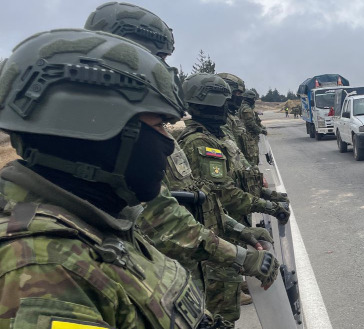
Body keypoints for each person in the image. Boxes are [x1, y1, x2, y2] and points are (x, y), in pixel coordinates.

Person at [0, 28, 274, 329]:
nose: (167, 142)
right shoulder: (45, 271)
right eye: (158, 124)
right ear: (95, 131)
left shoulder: (101, 220)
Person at [84, 2, 275, 295]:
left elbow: (185, 204)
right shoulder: (99, 141)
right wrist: (240, 255)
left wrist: (240, 232)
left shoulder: (138, 131)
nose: (163, 69)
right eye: (158, 58)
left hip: (181, 283)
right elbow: (160, 218)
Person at [178, 73, 290, 322]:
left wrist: (267, 196)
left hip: (222, 228)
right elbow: (223, 195)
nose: (227, 109)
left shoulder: (216, 135)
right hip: (212, 239)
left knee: (227, 304)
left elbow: (236, 178)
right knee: (221, 314)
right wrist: (267, 205)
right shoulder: (200, 142)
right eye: (222, 104)